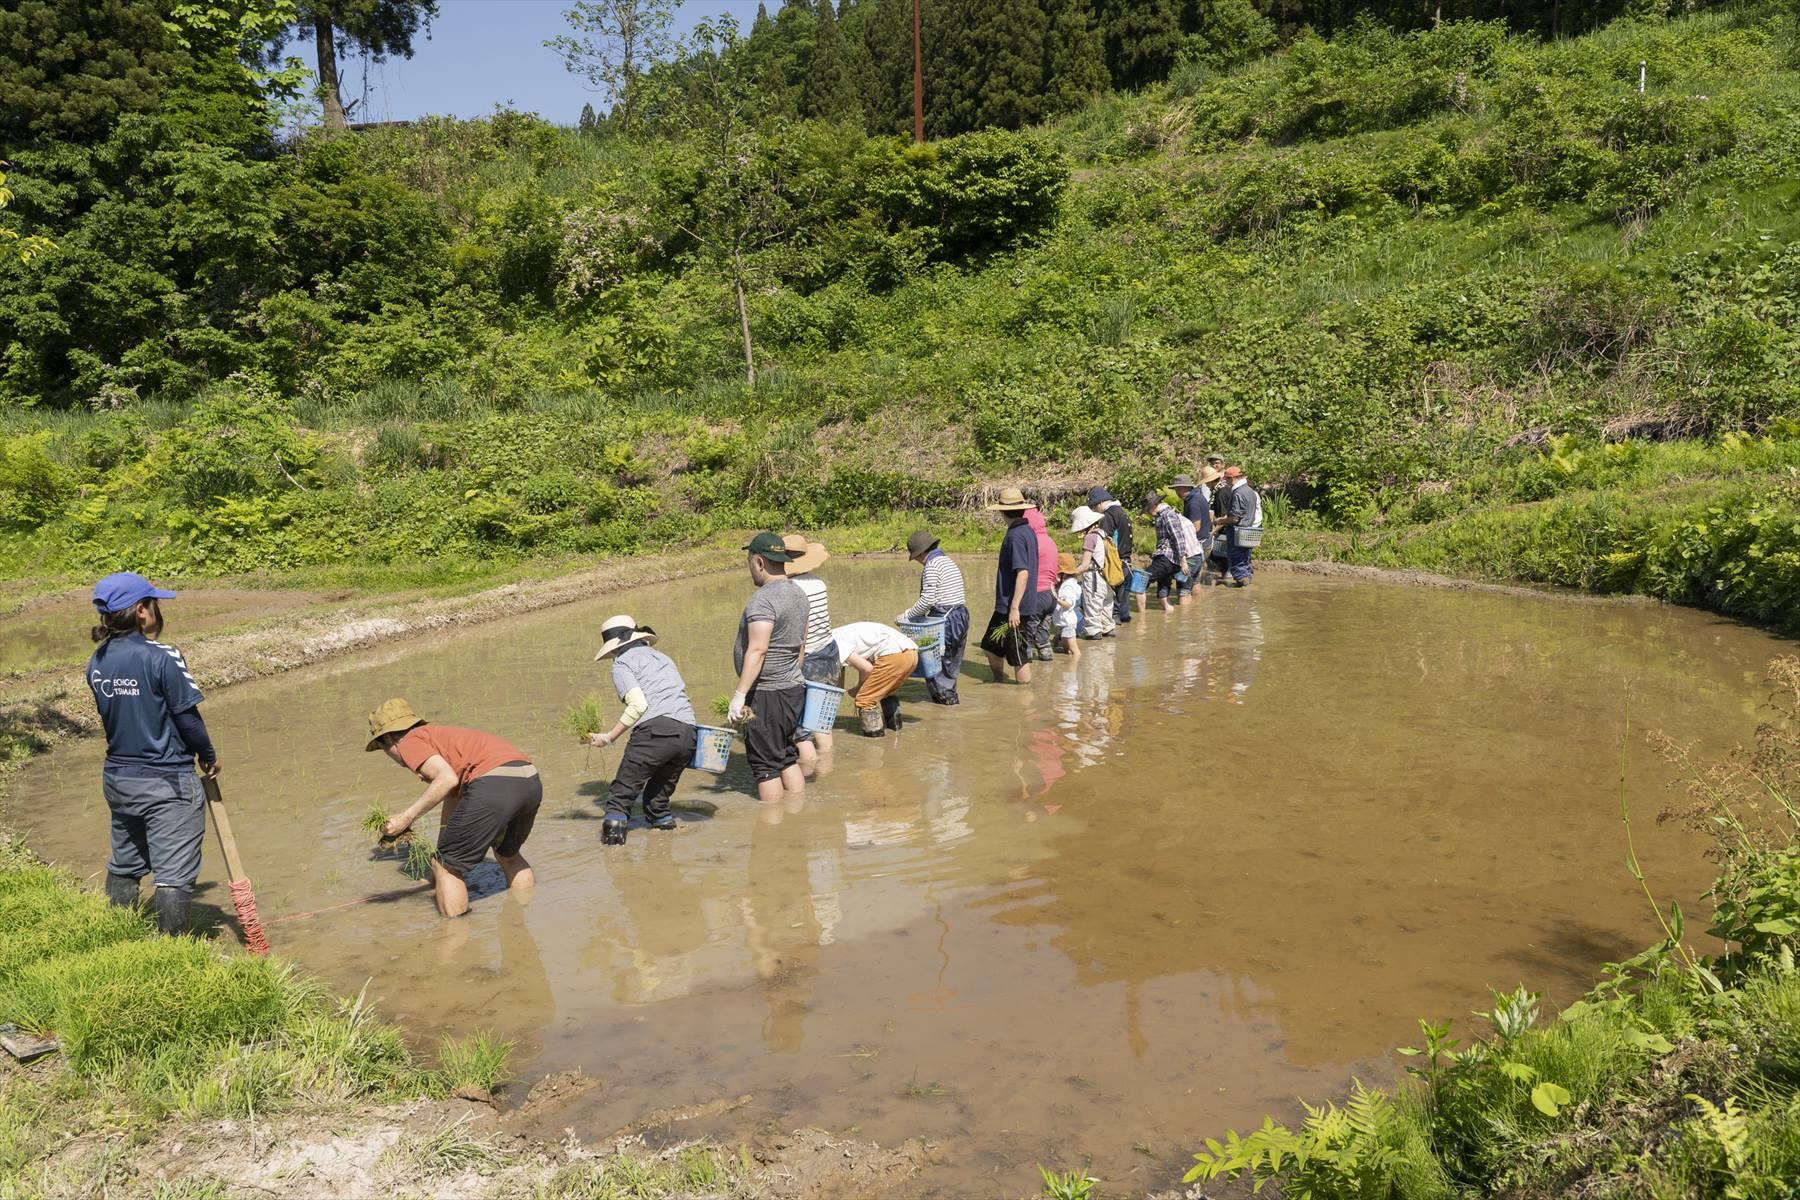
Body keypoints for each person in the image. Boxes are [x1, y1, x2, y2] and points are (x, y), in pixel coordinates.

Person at [87, 572, 217, 935]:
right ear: (142, 610)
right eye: (154, 603)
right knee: (173, 873)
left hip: (118, 779)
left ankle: (118, 933)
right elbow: (187, 717)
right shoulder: (164, 656)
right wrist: (207, 754)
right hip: (167, 781)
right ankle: (171, 951)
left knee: (126, 861)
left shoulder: (97, 661)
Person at [367, 699, 540, 918]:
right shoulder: (439, 737)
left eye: (382, 749)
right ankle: (520, 917)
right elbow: (453, 796)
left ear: (388, 739)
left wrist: (405, 819)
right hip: (528, 779)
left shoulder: (409, 741)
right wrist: (441, 855)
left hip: (493, 783)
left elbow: (446, 779)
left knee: (447, 869)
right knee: (508, 855)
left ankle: (456, 940)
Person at [587, 614, 697, 846]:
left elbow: (638, 705)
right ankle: (663, 843)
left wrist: (609, 737)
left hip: (655, 732)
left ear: (614, 647)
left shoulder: (622, 662)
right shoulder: (663, 658)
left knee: (619, 798)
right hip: (688, 734)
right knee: (657, 801)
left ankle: (613, 857)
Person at [730, 532, 809, 803]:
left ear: (760, 562)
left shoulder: (763, 600)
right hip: (793, 688)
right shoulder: (799, 594)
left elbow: (758, 648)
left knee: (765, 767)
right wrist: (792, 676)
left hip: (766, 693)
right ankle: (796, 819)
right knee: (786, 756)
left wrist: (740, 695)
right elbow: (801, 645)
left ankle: (772, 834)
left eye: (750, 561)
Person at [897, 530, 969, 706]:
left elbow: (928, 599)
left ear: (922, 553)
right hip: (961, 616)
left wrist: (906, 615)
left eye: (916, 557)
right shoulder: (947, 561)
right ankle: (951, 701)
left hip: (945, 620)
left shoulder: (932, 566)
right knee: (951, 665)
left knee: (935, 665)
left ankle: (946, 710)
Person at [783, 534, 836, 763]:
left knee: (800, 730)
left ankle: (809, 777)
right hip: (829, 652)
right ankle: (827, 767)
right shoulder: (818, 582)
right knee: (821, 720)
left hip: (809, 658)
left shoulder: (790, 588)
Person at [980, 487, 1039, 683]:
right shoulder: (1027, 531)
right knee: (990, 646)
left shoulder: (1015, 536)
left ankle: (1024, 699)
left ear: (1002, 512)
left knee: (1019, 657)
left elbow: (1022, 573)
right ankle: (998, 682)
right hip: (1009, 606)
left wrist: (1014, 608)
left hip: (1014, 607)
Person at [830, 621, 920, 737]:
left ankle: (874, 738)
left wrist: (858, 689)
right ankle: (895, 731)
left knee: (865, 700)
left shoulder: (833, 644)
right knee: (886, 693)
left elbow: (867, 669)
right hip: (911, 654)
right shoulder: (837, 635)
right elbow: (839, 685)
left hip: (894, 656)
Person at [1068, 505, 1118, 639]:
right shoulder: (1104, 534)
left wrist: (1070, 574)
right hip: (1107, 576)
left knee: (1092, 606)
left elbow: (1085, 565)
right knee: (1107, 604)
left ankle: (1094, 632)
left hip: (1095, 578)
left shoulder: (1090, 538)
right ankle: (1108, 627)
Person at [1089, 486, 1134, 625]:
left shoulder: (1108, 515)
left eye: (1094, 507)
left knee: (1112, 607)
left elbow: (1105, 541)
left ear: (1100, 503)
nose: (1095, 511)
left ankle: (1111, 628)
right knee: (1123, 607)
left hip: (1115, 563)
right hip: (1127, 563)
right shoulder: (1121, 512)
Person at [1022, 505, 1060, 663]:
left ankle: (1026, 657)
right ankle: (1045, 652)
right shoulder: (1050, 541)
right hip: (1051, 594)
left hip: (1036, 593)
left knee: (1028, 629)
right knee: (1043, 628)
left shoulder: (1031, 542)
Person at [1215, 466, 1264, 587]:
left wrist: (1220, 520)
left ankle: (1242, 584)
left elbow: (1235, 518)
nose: (1225, 481)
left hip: (1238, 531)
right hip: (1248, 531)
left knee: (1236, 560)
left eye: (1227, 479)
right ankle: (1247, 584)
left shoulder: (1238, 493)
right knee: (1244, 559)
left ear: (1233, 478)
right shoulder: (1250, 491)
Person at [1142, 490, 1188, 613]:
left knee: (1142, 580)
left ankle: (1140, 617)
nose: (1147, 514)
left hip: (1167, 557)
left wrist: (1183, 560)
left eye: (1146, 511)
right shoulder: (1162, 516)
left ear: (1152, 506)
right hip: (1167, 558)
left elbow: (1178, 537)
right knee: (1163, 588)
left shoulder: (1168, 515)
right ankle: (1169, 613)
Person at [1172, 472, 1216, 592]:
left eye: (1176, 489)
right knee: (1195, 580)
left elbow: (1195, 527)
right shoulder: (1195, 496)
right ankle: (1197, 606)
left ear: (1183, 487)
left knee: (1184, 586)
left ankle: (1186, 609)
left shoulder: (1193, 502)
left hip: (1199, 544)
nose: (1175, 492)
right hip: (1205, 542)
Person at [1053, 553, 1082, 660]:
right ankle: (1068, 666)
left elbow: (1068, 604)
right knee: (1066, 649)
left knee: (1075, 650)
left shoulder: (1067, 587)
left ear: (1062, 573)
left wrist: (1056, 598)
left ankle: (1073, 669)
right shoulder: (1072, 583)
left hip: (1067, 623)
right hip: (1064, 622)